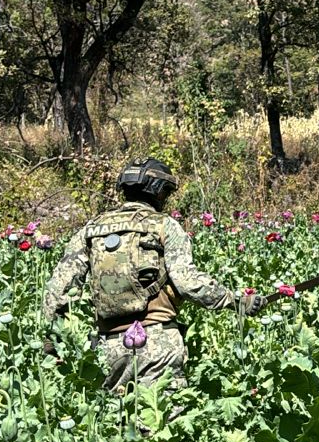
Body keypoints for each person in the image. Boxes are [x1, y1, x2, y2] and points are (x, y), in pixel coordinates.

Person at [42, 158, 254, 409]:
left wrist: (51, 343)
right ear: (157, 190)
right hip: (158, 342)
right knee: (158, 431)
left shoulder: (91, 230)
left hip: (109, 348)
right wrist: (236, 301)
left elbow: (57, 289)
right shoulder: (165, 226)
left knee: (119, 431)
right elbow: (188, 282)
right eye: (166, 191)